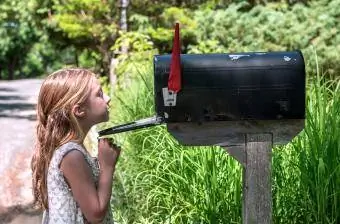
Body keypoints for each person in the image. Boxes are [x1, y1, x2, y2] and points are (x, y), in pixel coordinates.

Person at [31, 68, 121, 223]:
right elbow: (96, 214)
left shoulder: (73, 150)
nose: (108, 98)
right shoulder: (72, 155)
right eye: (99, 94)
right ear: (79, 110)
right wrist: (107, 167)